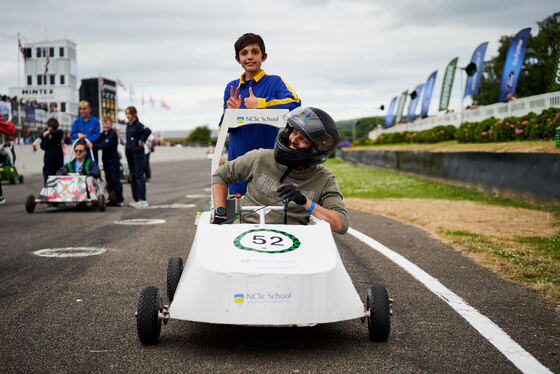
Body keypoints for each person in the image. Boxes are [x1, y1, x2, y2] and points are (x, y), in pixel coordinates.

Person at [212, 107, 348, 234]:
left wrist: (305, 201)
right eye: (294, 132)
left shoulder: (324, 179)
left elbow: (340, 224)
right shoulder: (261, 157)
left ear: (317, 149)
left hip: (293, 244)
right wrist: (220, 212)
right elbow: (221, 175)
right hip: (244, 234)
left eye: (303, 139)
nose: (293, 139)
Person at [218, 32, 301, 195]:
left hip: (269, 162)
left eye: (255, 52)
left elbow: (295, 102)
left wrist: (261, 104)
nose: (249, 57)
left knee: (268, 209)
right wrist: (231, 115)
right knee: (238, 212)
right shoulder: (231, 87)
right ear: (237, 59)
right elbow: (223, 127)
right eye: (244, 53)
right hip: (238, 161)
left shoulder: (275, 82)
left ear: (264, 56)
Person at [94, 115, 124, 206]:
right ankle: (112, 199)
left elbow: (105, 145)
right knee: (109, 181)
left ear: (111, 124)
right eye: (104, 123)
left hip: (114, 161)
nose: (105, 125)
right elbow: (96, 142)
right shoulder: (103, 134)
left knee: (115, 180)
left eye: (107, 123)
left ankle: (120, 200)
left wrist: (94, 147)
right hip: (106, 160)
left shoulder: (112, 134)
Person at [125, 106, 151, 208]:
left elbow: (148, 130)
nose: (127, 116)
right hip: (129, 153)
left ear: (134, 114)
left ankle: (143, 199)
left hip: (137, 153)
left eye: (129, 114)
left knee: (139, 175)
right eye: (126, 114)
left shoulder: (138, 125)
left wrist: (142, 140)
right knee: (132, 176)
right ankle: (136, 199)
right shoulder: (128, 125)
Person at [39, 118, 64, 184]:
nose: (49, 128)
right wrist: (48, 139)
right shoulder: (45, 134)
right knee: (48, 179)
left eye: (51, 127)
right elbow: (42, 146)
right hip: (48, 160)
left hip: (58, 159)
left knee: (58, 177)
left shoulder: (57, 133)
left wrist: (49, 132)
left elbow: (61, 132)